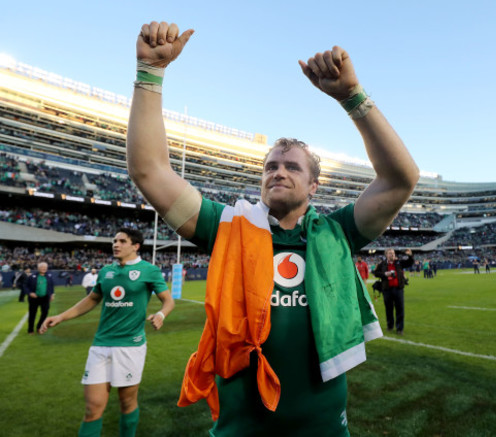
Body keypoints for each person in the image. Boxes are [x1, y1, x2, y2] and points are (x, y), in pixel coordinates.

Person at [126, 20, 419, 436]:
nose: (278, 172)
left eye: (292, 167)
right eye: (270, 167)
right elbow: (148, 170)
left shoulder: (337, 232)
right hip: (241, 427)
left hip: (324, 426)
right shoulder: (228, 225)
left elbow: (400, 179)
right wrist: (150, 74)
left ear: (314, 186)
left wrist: (352, 97)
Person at [39, 228, 175, 437]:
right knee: (92, 408)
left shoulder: (150, 271)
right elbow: (92, 299)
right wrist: (61, 317)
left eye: (122, 241)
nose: (116, 244)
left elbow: (168, 301)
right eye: (114, 240)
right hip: (101, 345)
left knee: (127, 403)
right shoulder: (105, 272)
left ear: (135, 246)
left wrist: (161, 315)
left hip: (130, 346)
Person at [373, 249, 414, 335]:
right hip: (387, 289)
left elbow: (410, 263)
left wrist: (410, 255)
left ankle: (399, 328)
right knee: (389, 309)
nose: (392, 255)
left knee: (400, 309)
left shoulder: (399, 263)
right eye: (390, 253)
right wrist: (384, 274)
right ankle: (390, 326)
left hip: (398, 289)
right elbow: (375, 273)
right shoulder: (382, 264)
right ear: (386, 255)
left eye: (393, 253)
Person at [25, 262, 55, 334]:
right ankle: (30, 330)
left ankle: (39, 327)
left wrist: (52, 294)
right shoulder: (32, 276)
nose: (44, 269)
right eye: (42, 267)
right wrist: (30, 293)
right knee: (32, 314)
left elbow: (51, 286)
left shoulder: (49, 276)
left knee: (45, 313)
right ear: (38, 268)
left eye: (45, 267)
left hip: (45, 298)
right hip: (34, 298)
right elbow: (25, 286)